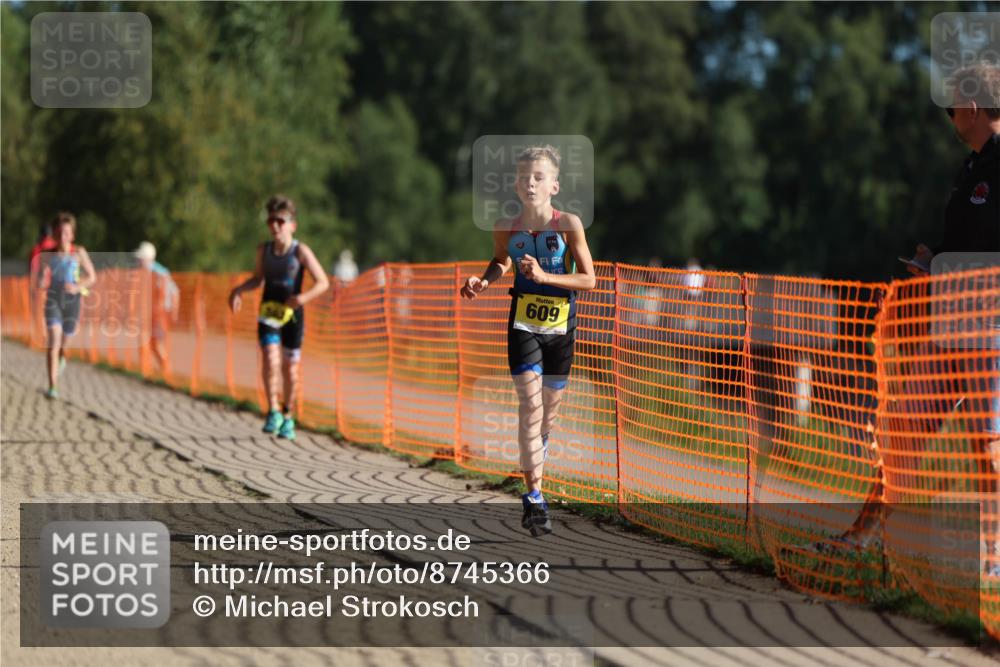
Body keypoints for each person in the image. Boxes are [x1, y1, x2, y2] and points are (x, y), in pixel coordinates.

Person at [834, 64, 1000, 569]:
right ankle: (860, 538)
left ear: (972, 107)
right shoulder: (972, 167)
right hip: (951, 325)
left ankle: (994, 559)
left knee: (987, 447)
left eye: (951, 106)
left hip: (990, 329)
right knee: (903, 430)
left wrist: (945, 267)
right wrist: (935, 260)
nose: (949, 114)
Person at [460, 145, 596, 536]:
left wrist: (545, 276)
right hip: (523, 324)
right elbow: (501, 260)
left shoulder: (568, 224)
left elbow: (589, 279)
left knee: (546, 415)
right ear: (516, 185)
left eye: (538, 177)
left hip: (561, 327)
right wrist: (483, 281)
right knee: (530, 406)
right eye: (523, 177)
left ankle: (538, 455)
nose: (530, 183)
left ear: (554, 185)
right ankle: (534, 496)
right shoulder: (506, 226)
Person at [228, 195, 329, 441]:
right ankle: (273, 410)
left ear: (292, 225)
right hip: (269, 313)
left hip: (292, 316)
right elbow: (258, 279)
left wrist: (302, 298)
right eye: (270, 221)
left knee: (289, 369)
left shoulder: (301, 251)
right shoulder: (263, 250)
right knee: (270, 358)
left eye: (280, 221)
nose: (274, 226)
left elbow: (323, 282)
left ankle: (288, 415)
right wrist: (238, 290)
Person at [37, 212, 96, 399]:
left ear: (72, 235)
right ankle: (52, 386)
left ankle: (63, 356)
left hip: (72, 302)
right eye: (59, 233)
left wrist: (77, 286)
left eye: (66, 233)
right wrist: (41, 280)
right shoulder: (48, 255)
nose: (63, 237)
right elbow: (40, 278)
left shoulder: (79, 253)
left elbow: (92, 277)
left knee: (64, 341)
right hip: (53, 301)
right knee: (53, 340)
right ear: (54, 235)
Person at [134, 241, 180, 376]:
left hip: (160, 314)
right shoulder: (145, 272)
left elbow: (174, 292)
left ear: (148, 258)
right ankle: (148, 371)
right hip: (150, 313)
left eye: (141, 258)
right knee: (147, 342)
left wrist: (174, 313)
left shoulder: (159, 273)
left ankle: (166, 370)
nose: (138, 260)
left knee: (156, 344)